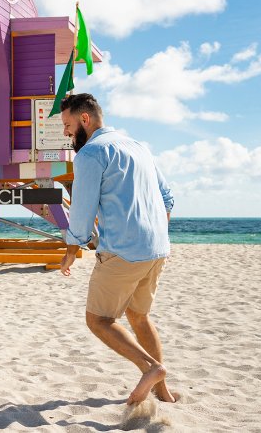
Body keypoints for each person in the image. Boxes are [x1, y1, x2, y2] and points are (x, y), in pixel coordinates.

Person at [57, 93, 176, 406]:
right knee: (139, 315)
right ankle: (162, 391)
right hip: (158, 249)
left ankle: (151, 368)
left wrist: (71, 247)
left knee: (98, 320)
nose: (67, 133)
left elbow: (81, 212)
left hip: (123, 251)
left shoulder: (90, 154)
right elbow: (167, 198)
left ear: (85, 119)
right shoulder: (139, 146)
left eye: (68, 125)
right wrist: (153, 232)